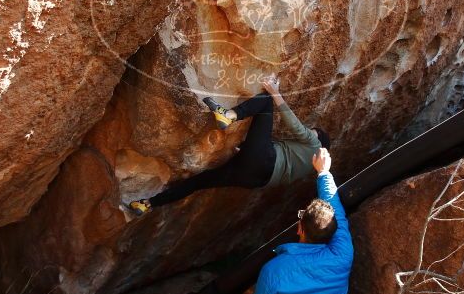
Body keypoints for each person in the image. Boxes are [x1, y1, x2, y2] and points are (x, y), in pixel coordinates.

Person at [124, 76, 330, 216]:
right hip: (252, 178)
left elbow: (295, 126)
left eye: (313, 130)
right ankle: (149, 204)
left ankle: (229, 114)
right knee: (199, 182)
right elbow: (279, 164)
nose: (309, 130)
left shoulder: (314, 145)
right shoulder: (305, 169)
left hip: (262, 161)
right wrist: (248, 152)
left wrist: (275, 92)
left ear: (319, 139)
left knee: (266, 101)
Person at [248, 148, 353, 294]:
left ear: (299, 228)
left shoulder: (275, 271)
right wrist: (324, 173)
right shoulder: (342, 256)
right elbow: (339, 218)